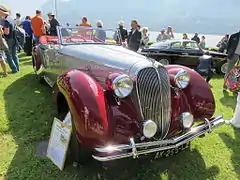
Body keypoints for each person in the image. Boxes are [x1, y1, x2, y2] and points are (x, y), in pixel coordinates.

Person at [0, 5, 19, 73]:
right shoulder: (10, 19)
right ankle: (17, 68)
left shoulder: (5, 20)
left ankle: (14, 69)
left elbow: (6, 32)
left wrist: (1, 29)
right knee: (14, 54)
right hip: (14, 38)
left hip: (9, 39)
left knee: (8, 55)